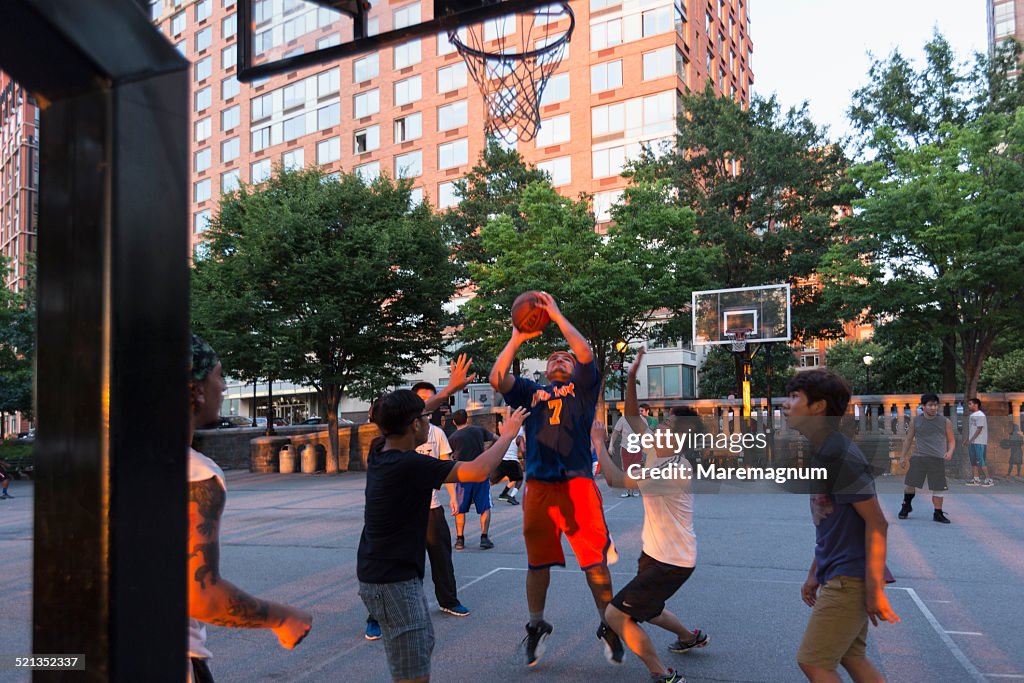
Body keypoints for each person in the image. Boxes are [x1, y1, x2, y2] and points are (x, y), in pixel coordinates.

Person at [489, 291, 624, 668]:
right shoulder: (532, 392)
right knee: (538, 563)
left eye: (564, 356)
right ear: (545, 372)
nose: (561, 358)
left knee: (594, 563)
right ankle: (536, 624)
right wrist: (516, 337)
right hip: (539, 486)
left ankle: (608, 624)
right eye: (553, 358)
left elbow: (583, 353)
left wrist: (557, 315)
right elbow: (496, 377)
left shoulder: (583, 387)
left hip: (577, 482)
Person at [357, 390, 528, 683]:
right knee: (413, 672)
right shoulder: (410, 465)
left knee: (422, 643)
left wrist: (449, 389)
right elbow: (478, 470)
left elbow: (407, 414)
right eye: (426, 418)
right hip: (391, 582)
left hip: (386, 576)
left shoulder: (379, 449)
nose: (430, 421)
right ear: (414, 425)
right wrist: (507, 435)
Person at [187, 334, 312, 683]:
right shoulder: (194, 473)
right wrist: (282, 617)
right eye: (219, 376)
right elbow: (200, 595)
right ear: (195, 389)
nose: (224, 387)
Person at [592, 347, 707, 683]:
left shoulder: (672, 470)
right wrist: (630, 377)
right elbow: (631, 416)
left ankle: (663, 674)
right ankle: (690, 636)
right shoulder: (659, 450)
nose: (660, 424)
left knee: (616, 614)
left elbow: (614, 479)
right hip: (659, 554)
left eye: (668, 423)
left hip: (671, 561)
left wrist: (598, 442)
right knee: (649, 608)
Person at [783, 369, 899, 683]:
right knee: (852, 656)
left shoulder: (838, 455)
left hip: (850, 578)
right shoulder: (825, 451)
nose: (785, 405)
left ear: (818, 407)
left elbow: (877, 523)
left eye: (795, 397)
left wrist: (874, 588)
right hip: (840, 572)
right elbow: (834, 525)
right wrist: (814, 572)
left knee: (814, 661)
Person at [897, 393, 955, 524]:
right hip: (919, 457)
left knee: (938, 487)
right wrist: (902, 457)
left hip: (937, 459)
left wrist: (950, 452)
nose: (933, 408)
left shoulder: (945, 422)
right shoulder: (915, 421)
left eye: (935, 405)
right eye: (930, 405)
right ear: (923, 406)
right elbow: (908, 439)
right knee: (910, 484)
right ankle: (906, 505)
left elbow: (951, 440)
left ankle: (938, 513)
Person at [448, 409, 499, 549]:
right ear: (467, 419)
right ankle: (484, 537)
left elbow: (448, 456)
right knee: (485, 506)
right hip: (480, 473)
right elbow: (497, 438)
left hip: (462, 474)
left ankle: (460, 539)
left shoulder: (452, 438)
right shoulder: (478, 430)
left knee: (460, 508)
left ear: (453, 422)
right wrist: (489, 451)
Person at [492, 415, 525, 505]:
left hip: (502, 460)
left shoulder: (505, 433)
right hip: (512, 461)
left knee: (493, 481)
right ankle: (511, 496)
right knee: (519, 478)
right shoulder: (519, 437)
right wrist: (525, 459)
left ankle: (503, 494)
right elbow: (523, 450)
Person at [965, 398, 993, 487]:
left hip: (980, 442)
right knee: (973, 461)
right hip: (973, 442)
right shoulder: (972, 415)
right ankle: (976, 480)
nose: (968, 406)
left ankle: (989, 480)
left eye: (970, 404)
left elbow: (979, 429)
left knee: (981, 461)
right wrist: (968, 439)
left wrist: (971, 440)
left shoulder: (980, 415)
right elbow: (972, 430)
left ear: (976, 404)